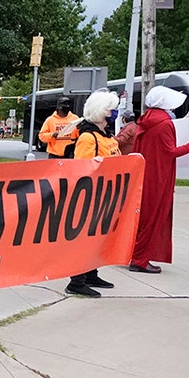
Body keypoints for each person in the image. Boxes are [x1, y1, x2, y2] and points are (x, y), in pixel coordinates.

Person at [128, 85, 189, 273]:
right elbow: (170, 152)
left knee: (142, 216)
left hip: (145, 172)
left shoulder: (147, 118)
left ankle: (134, 254)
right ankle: (140, 259)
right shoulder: (164, 122)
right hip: (158, 175)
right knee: (153, 217)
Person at [65, 90, 122, 298]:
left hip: (107, 193)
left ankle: (91, 273)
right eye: (110, 109)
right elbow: (82, 169)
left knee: (98, 238)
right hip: (92, 196)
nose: (114, 112)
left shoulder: (105, 135)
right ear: (100, 111)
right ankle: (76, 280)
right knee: (85, 239)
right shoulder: (88, 137)